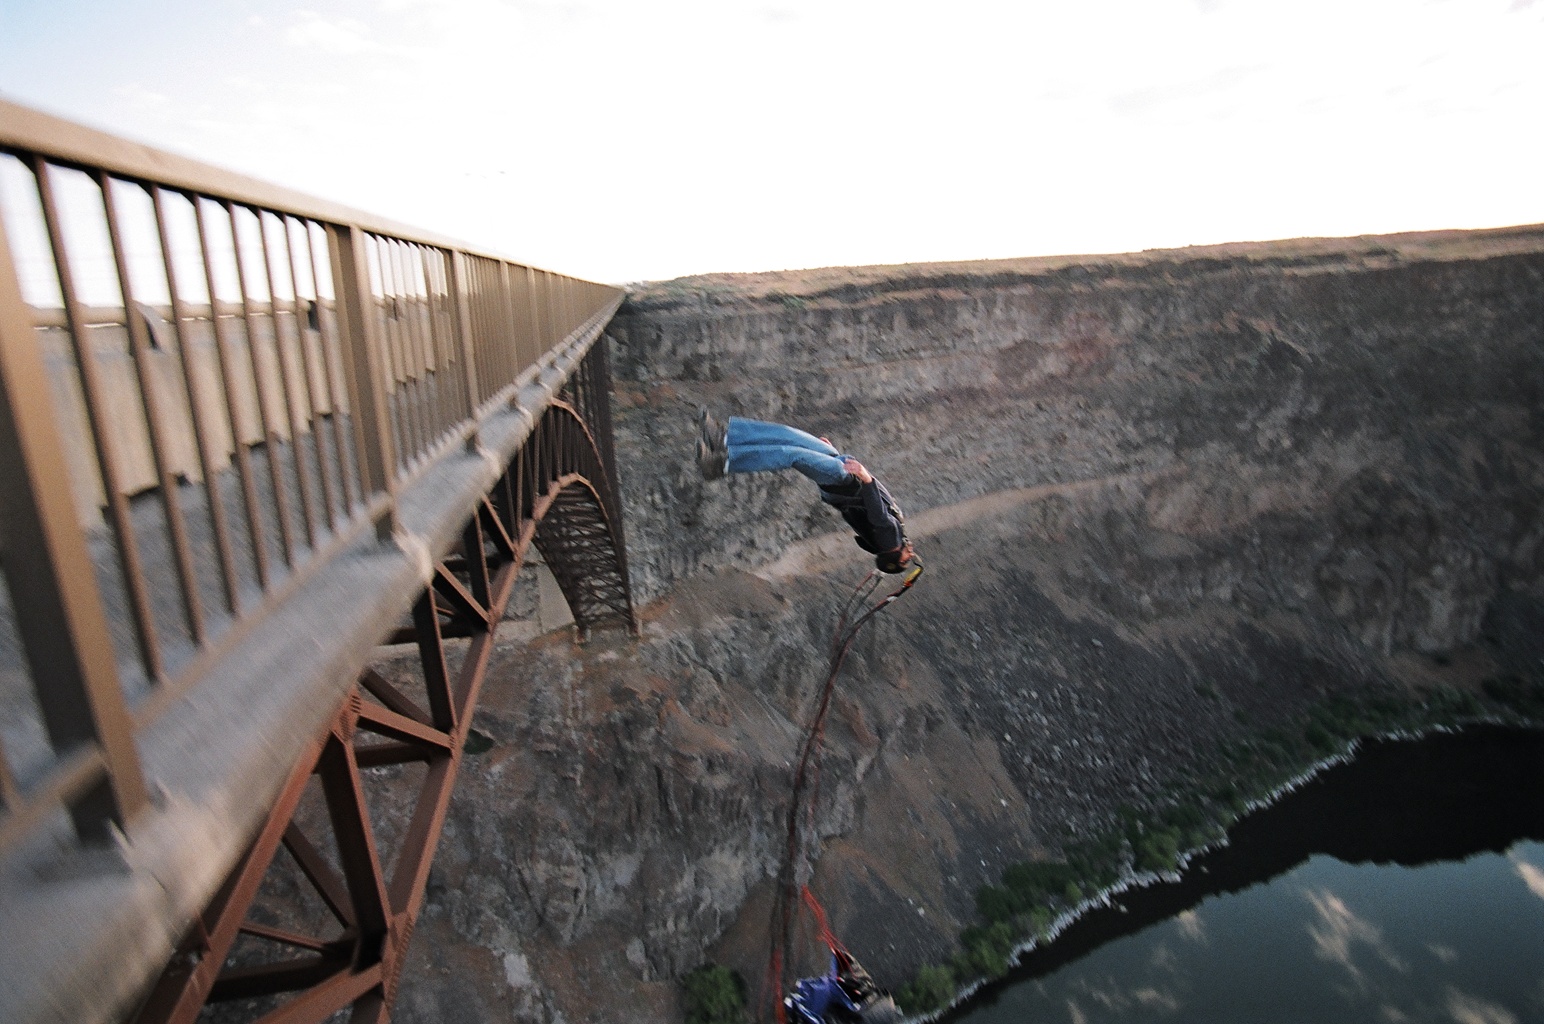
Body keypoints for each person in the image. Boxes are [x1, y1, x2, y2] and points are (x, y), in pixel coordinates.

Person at [696, 410, 917, 574]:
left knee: (791, 453)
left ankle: (720, 464)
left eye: (907, 560)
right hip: (843, 472)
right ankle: (724, 439)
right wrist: (830, 455)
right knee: (789, 436)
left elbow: (877, 514)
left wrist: (866, 478)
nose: (912, 554)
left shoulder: (889, 541)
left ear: (894, 557)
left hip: (842, 480)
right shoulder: (894, 537)